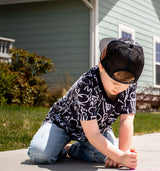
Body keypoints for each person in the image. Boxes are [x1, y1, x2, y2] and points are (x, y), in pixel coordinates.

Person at [28, 37, 144, 169]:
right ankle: (59, 147)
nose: (120, 88)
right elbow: (93, 135)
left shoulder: (129, 83)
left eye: (126, 85)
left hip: (97, 128)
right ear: (101, 66)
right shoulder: (86, 84)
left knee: (106, 156)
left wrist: (122, 154)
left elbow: (126, 120)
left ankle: (73, 149)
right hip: (63, 124)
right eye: (114, 83)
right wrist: (119, 156)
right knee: (41, 155)